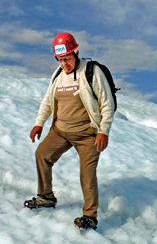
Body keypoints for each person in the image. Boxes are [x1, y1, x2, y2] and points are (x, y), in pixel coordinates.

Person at [24, 32, 114, 229]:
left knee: (87, 173)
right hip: (60, 131)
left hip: (87, 134)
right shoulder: (57, 75)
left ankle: (90, 215)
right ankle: (46, 196)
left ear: (76, 52)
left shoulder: (91, 72)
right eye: (61, 59)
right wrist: (39, 123)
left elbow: (107, 104)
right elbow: (48, 101)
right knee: (42, 154)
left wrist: (103, 131)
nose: (65, 64)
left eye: (68, 58)